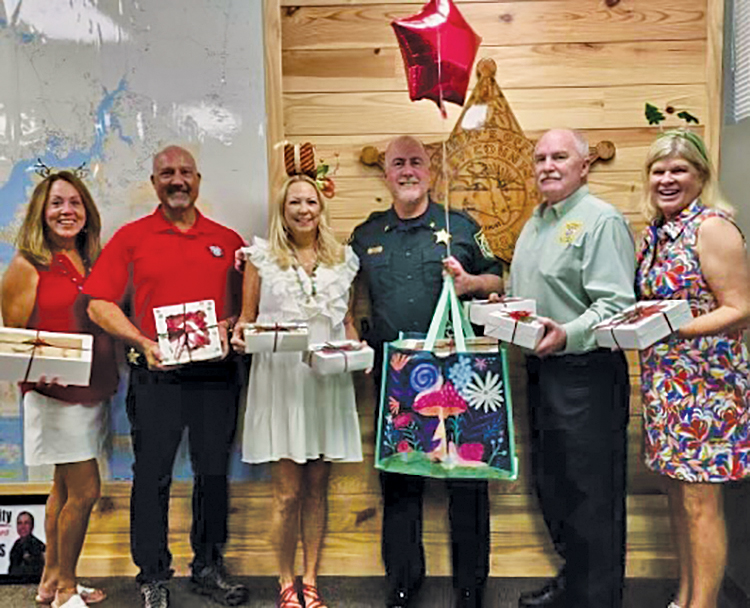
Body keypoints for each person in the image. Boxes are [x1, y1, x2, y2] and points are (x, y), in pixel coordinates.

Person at [83, 146, 249, 608]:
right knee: (151, 476)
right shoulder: (132, 238)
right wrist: (140, 341)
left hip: (216, 376)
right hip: (156, 377)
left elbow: (246, 310)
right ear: (154, 182)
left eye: (185, 173)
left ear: (199, 179)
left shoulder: (229, 240)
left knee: (213, 472)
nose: (177, 181)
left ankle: (208, 566)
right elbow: (99, 303)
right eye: (166, 174)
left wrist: (235, 325)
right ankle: (152, 574)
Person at [349, 135, 503, 608]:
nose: (408, 170)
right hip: (395, 377)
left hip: (459, 371)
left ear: (430, 171)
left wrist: (470, 282)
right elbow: (340, 291)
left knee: (467, 483)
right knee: (399, 483)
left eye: (417, 162)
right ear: (387, 174)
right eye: (399, 163)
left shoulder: (460, 225)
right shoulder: (366, 234)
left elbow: (498, 278)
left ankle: (471, 589)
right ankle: (402, 582)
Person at [507, 129, 635, 608]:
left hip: (588, 373)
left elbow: (618, 305)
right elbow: (531, 293)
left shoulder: (600, 220)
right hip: (543, 372)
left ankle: (598, 598)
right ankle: (575, 585)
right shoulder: (536, 222)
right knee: (555, 486)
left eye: (559, 156)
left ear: (584, 165)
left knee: (591, 494)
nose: (547, 165)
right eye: (540, 157)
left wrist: (568, 333)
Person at [230, 172, 362, 608]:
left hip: (326, 379)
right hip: (282, 381)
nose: (304, 210)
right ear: (282, 212)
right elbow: (246, 320)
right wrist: (239, 336)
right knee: (286, 492)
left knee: (317, 488)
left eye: (310, 202)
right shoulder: (260, 257)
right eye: (294, 204)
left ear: (321, 208)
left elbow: (345, 322)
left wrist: (357, 348)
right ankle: (285, 581)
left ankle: (311, 580)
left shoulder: (344, 259)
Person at [636, 130, 750, 608]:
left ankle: (704, 605)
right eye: (659, 170)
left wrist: (675, 329)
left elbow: (740, 307)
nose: (667, 179)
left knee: (702, 505)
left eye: (679, 170)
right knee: (679, 501)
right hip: (666, 386)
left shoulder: (713, 227)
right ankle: (685, 598)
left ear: (700, 176)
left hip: (707, 389)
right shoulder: (656, 233)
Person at [1, 169, 118, 608]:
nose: (66, 211)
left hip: (91, 390)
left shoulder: (91, 259)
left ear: (86, 212)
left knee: (63, 490)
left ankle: (51, 580)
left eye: (75, 203)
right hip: (54, 396)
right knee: (86, 491)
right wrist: (38, 369)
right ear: (40, 213)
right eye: (56, 204)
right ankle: (67, 588)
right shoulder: (25, 265)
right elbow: (13, 338)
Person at [8, 511, 46, 578]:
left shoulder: (38, 547)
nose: (23, 527)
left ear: (32, 526)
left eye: (26, 523)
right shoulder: (16, 547)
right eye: (20, 523)